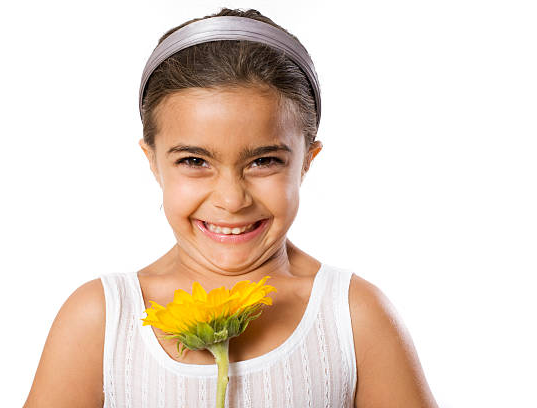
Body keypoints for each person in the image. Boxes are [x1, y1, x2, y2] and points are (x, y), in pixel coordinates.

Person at [24, 7, 439, 408]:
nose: (231, 199)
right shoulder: (101, 321)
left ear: (307, 160)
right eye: (194, 161)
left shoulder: (354, 318)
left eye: (264, 161)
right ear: (152, 161)